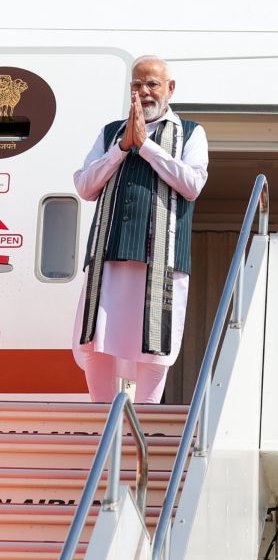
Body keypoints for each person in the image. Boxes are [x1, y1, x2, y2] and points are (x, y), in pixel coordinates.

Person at [71, 56, 209, 403]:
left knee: (155, 348)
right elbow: (85, 186)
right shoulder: (111, 133)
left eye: (152, 84)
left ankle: (145, 424)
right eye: (137, 85)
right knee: (93, 342)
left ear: (170, 89)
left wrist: (146, 146)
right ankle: (100, 422)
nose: (145, 92)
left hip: (162, 259)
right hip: (108, 254)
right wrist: (122, 148)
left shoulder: (191, 132)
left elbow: (192, 184)